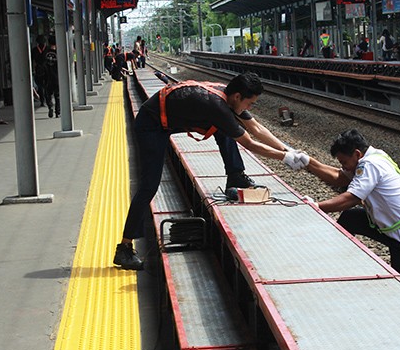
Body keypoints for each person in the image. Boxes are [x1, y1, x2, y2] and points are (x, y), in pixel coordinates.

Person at [113, 72, 309, 270]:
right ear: (238, 97)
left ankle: (235, 176)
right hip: (151, 125)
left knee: (227, 129)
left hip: (167, 118)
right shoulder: (217, 105)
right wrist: (284, 158)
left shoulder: (229, 97)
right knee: (149, 186)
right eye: (250, 104)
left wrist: (288, 150)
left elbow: (256, 128)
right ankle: (125, 248)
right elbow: (249, 142)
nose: (249, 109)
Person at [299, 129, 400, 287]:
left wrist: (315, 207)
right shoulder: (373, 155)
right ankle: (338, 262)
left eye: (344, 163)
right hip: (395, 228)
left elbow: (351, 198)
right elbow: (339, 178)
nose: (344, 168)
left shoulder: (370, 165)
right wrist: (308, 162)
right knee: (350, 218)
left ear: (356, 154)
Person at [43, 35, 61, 118]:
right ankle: (58, 112)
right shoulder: (59, 52)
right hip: (57, 76)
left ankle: (50, 106)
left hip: (47, 76)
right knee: (58, 95)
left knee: (48, 94)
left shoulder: (45, 52)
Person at [31, 35, 49, 108]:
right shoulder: (47, 49)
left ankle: (42, 101)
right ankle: (48, 100)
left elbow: (32, 60)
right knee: (47, 86)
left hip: (38, 69)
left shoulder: (34, 50)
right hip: (47, 69)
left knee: (40, 86)